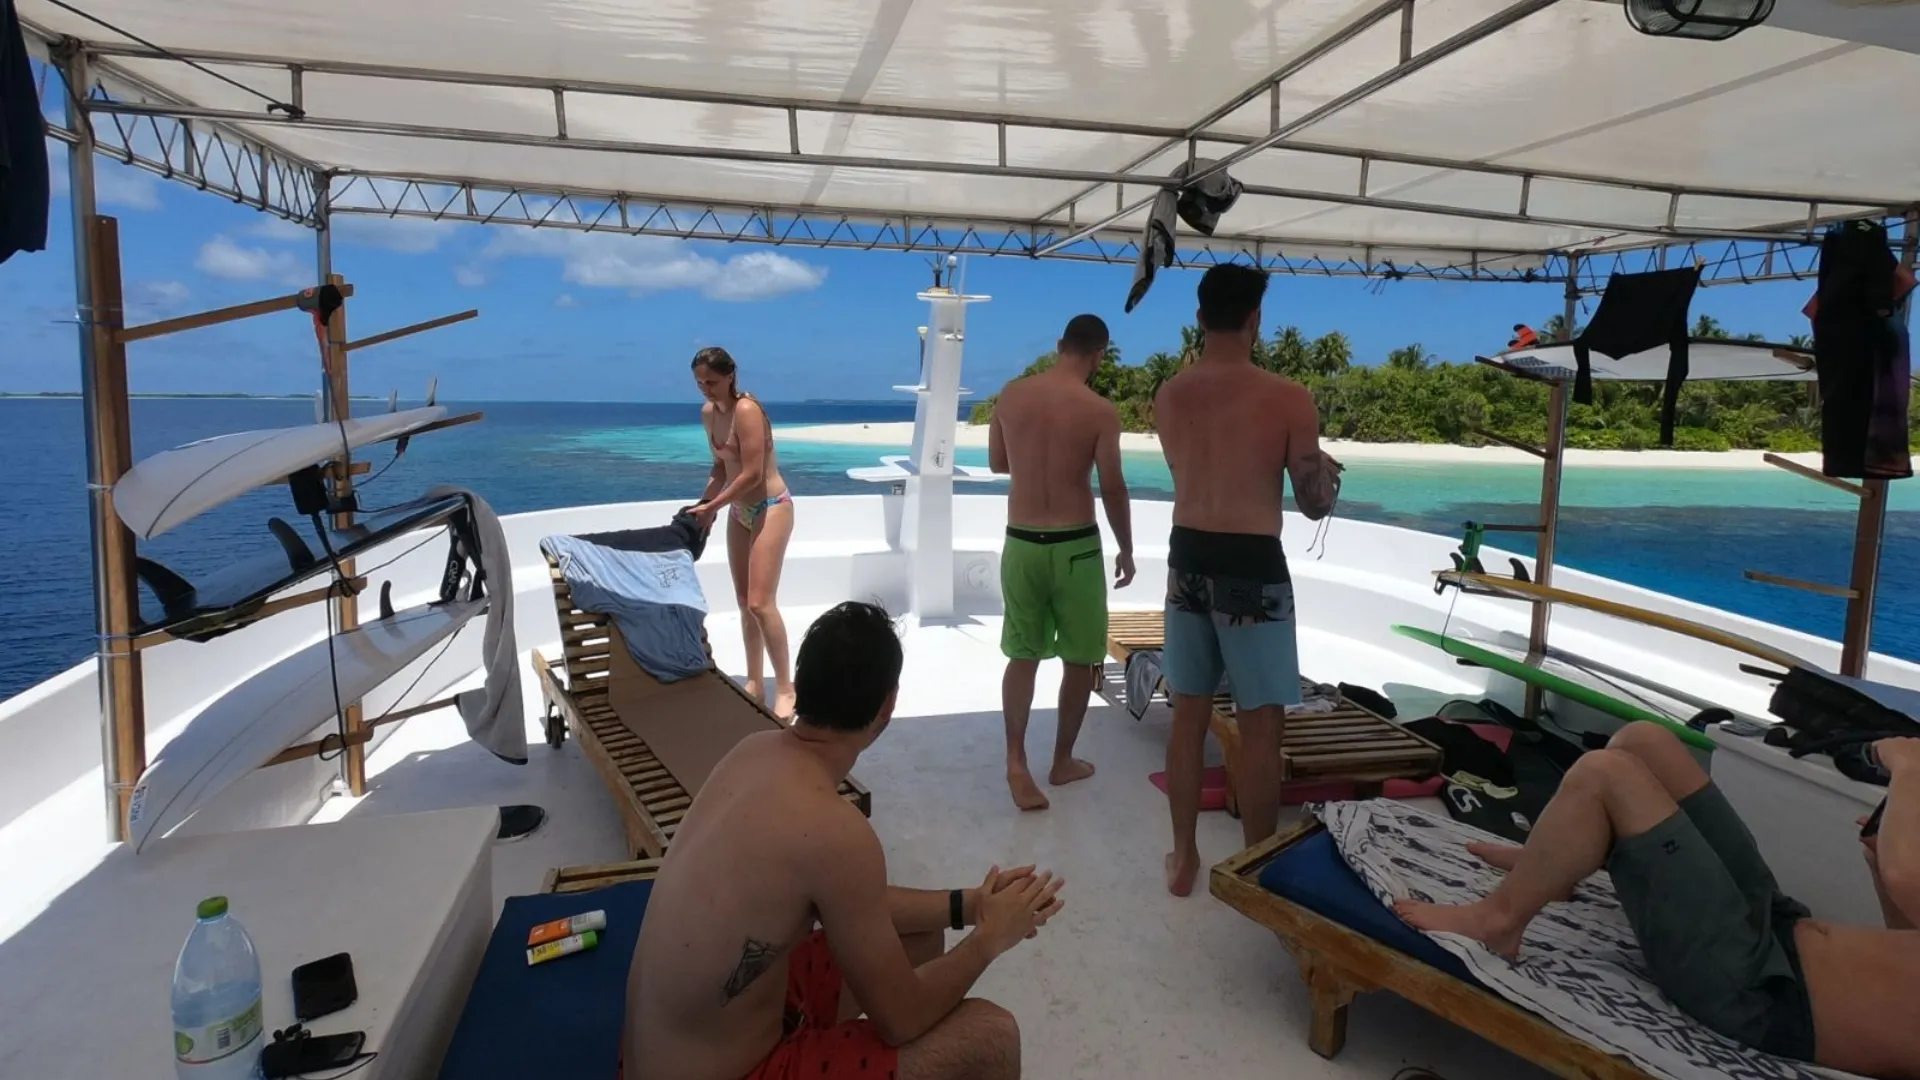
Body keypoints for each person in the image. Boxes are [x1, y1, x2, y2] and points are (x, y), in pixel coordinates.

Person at [624, 602, 1066, 1080]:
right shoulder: (836, 832)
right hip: (730, 1071)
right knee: (993, 1036)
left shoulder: (752, 751)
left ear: (802, 682)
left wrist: (971, 905)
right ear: (887, 707)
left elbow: (856, 901)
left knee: (917, 938)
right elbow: (901, 1020)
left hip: (663, 1053)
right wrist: (989, 939)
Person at [1398, 722, 1920, 1079]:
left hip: (1756, 991)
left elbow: (1907, 873)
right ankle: (1551, 862)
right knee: (1644, 741)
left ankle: (1498, 922)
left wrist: (1908, 765)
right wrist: (1879, 862)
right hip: (1779, 926)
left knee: (1606, 774)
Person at [1152, 264, 1342, 896]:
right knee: (1260, 727)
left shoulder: (1170, 394)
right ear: (1256, 319)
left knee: (1188, 714)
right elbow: (1313, 503)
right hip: (1251, 568)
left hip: (1187, 558)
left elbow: (1193, 468)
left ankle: (1183, 857)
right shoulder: (1288, 397)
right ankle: (1258, 872)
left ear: (1200, 318)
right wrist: (1323, 474)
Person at [986, 314, 1135, 812]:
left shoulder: (1011, 395)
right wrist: (1126, 547)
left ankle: (1015, 762)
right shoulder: (1099, 411)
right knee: (1080, 658)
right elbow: (1112, 486)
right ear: (1099, 356)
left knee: (1022, 655)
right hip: (1076, 547)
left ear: (1058, 344)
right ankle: (1062, 760)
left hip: (1022, 542)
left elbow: (998, 463)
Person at [691, 347, 797, 720]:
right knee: (742, 602)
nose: (706, 389)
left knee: (760, 603)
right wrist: (703, 505)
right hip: (739, 511)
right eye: (700, 383)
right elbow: (720, 468)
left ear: (730, 376)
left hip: (771, 506)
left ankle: (785, 688)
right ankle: (754, 681)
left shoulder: (748, 410)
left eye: (712, 382)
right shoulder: (709, 414)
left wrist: (714, 506)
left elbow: (752, 474)